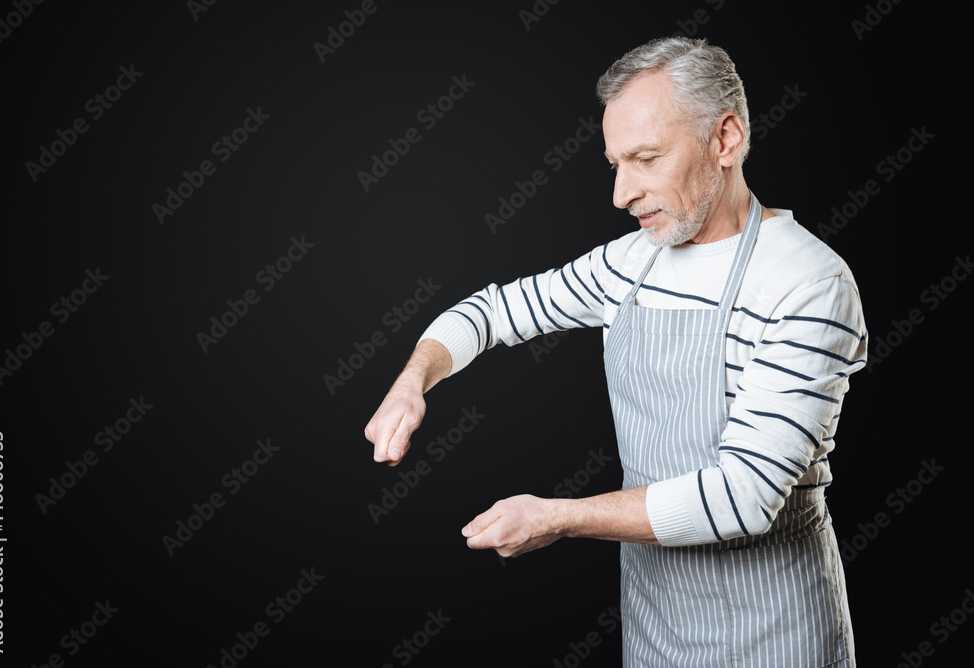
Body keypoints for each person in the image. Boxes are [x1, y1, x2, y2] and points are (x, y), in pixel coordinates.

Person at [365, 36, 865, 666]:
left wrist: (557, 517)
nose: (621, 194)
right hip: (655, 626)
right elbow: (490, 313)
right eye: (614, 165)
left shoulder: (807, 283)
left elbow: (741, 497)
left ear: (725, 140)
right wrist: (413, 380)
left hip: (774, 634)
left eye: (646, 159)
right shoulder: (630, 264)